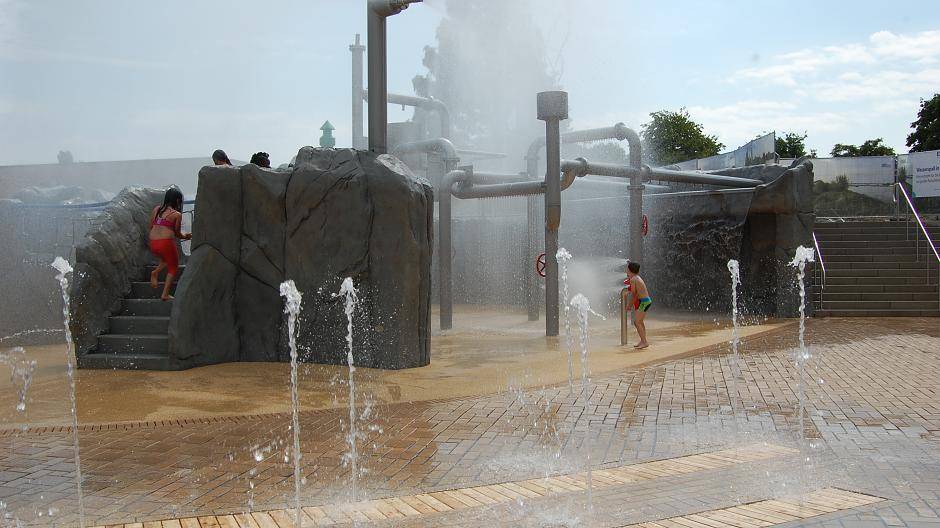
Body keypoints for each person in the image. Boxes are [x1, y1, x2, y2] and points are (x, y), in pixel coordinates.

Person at [149, 187, 192, 301]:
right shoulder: (177, 215)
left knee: (166, 259)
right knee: (173, 266)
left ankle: (155, 273)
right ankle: (165, 294)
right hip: (165, 243)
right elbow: (177, 234)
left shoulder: (157, 209)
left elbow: (151, 226)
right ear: (177, 201)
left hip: (153, 243)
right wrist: (187, 236)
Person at [625, 261, 652, 349]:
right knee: (639, 322)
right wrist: (630, 263)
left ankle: (644, 342)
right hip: (646, 301)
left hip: (644, 302)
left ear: (630, 270)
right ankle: (643, 340)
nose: (626, 270)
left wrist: (629, 305)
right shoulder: (636, 277)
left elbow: (634, 295)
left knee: (637, 322)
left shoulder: (633, 280)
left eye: (627, 269)